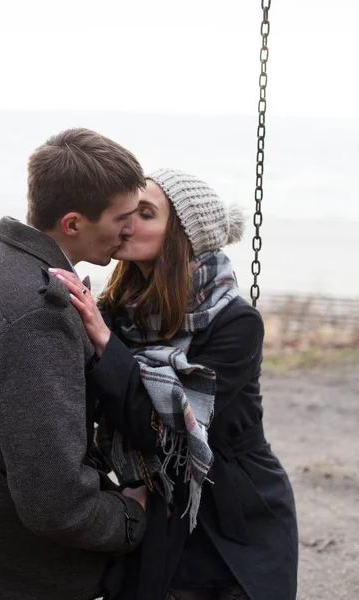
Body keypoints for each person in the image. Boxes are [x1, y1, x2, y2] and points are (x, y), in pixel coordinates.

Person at [53, 169, 299, 600]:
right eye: (127, 211)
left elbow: (160, 427)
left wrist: (107, 346)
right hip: (157, 504)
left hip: (233, 512)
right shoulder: (113, 312)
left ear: (182, 235)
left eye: (145, 214)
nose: (127, 223)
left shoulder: (235, 323)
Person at [0, 128, 149, 600]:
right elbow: (55, 502)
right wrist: (131, 518)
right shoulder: (35, 312)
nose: (130, 230)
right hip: (30, 576)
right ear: (72, 223)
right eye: (122, 218)